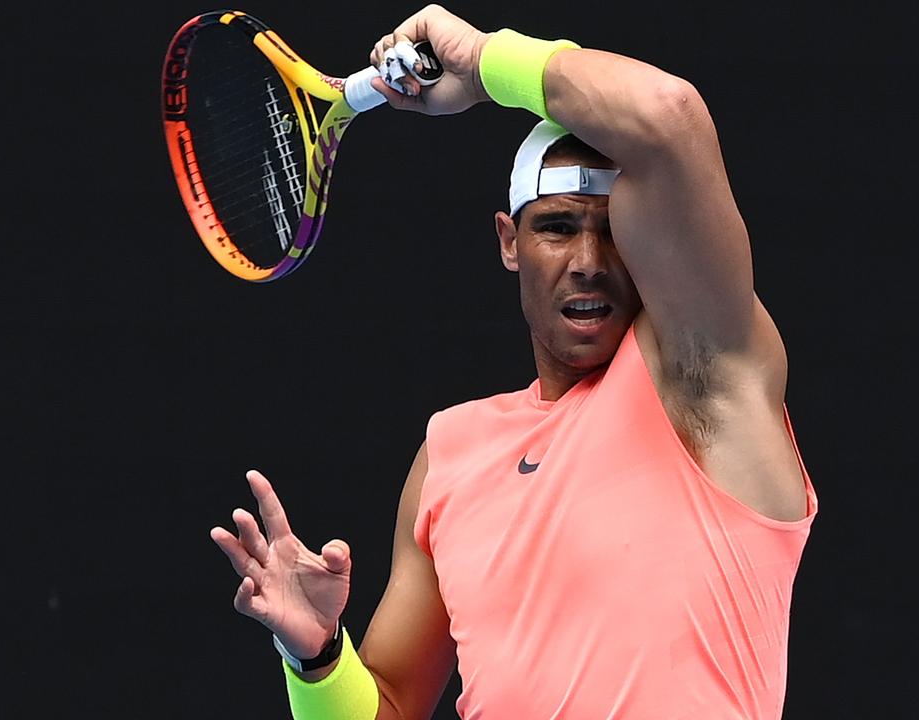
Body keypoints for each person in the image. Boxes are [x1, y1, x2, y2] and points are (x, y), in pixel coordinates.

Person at [209, 5, 817, 718]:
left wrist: (485, 61)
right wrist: (316, 659)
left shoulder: (706, 375)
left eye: (614, 231)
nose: (588, 263)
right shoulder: (450, 454)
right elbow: (392, 705)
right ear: (509, 240)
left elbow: (666, 113)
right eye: (557, 228)